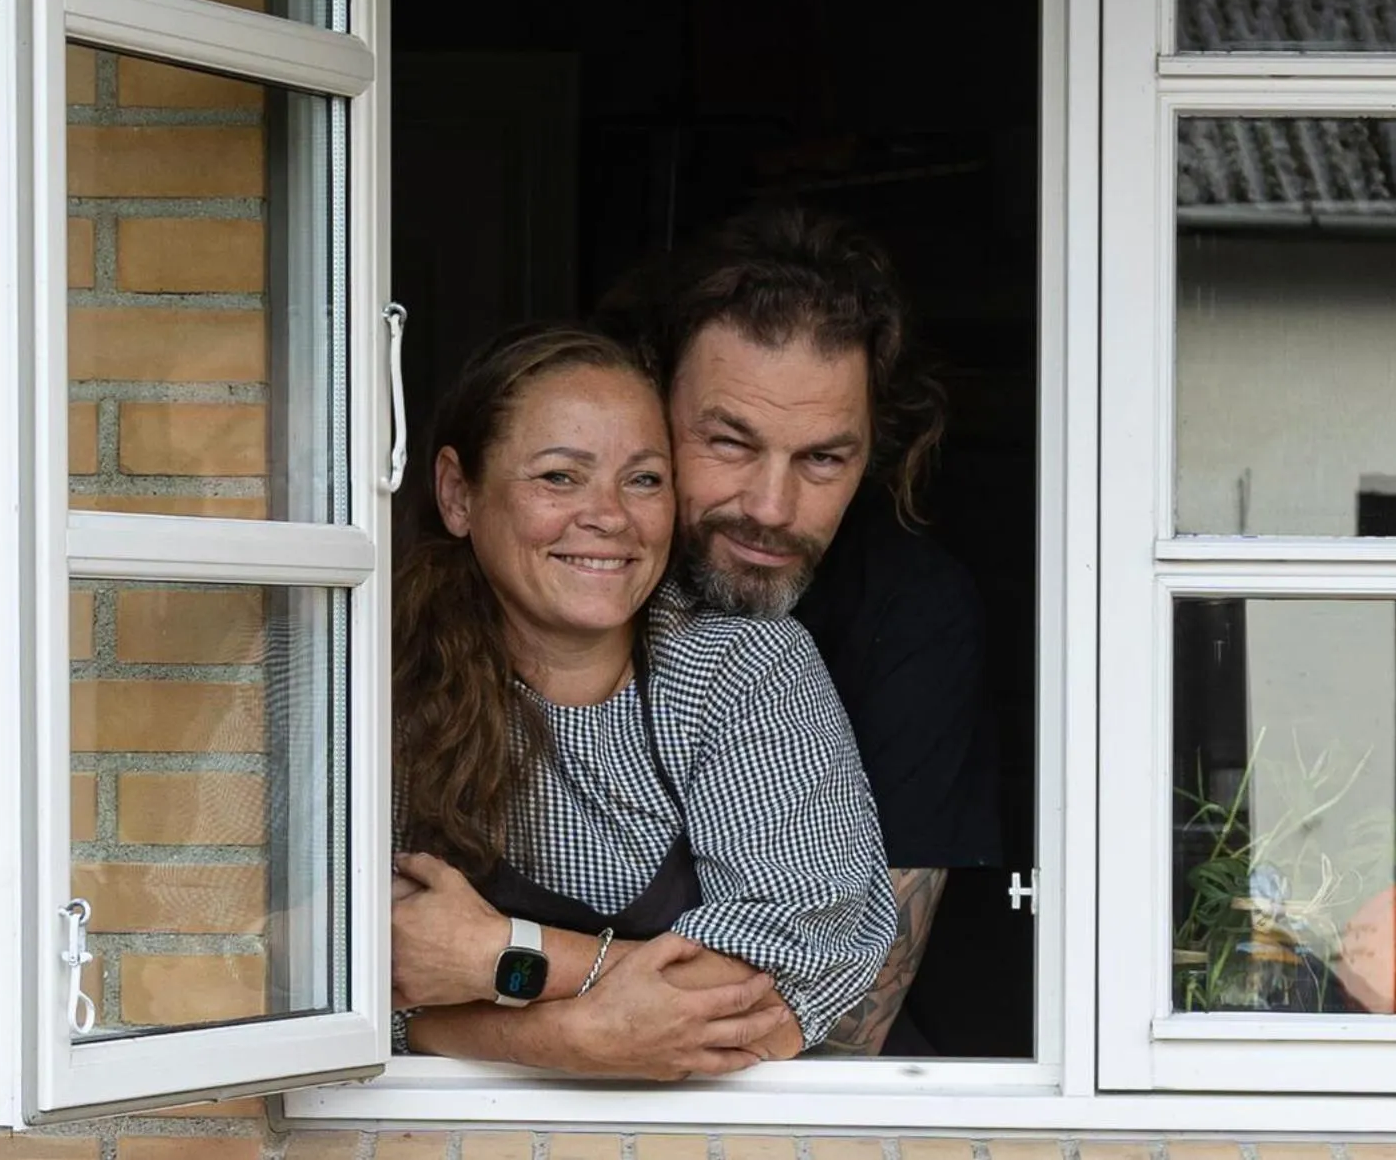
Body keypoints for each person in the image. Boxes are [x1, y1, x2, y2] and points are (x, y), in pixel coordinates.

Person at [389, 323, 896, 1077]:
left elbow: (790, 980)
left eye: (644, 480)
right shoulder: (378, 682)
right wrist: (574, 1037)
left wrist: (501, 957)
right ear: (459, 494)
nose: (610, 516)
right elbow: (336, 985)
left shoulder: (741, 665)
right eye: (560, 477)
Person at [617, 207, 1004, 1055]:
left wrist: (505, 965)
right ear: (647, 401)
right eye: (729, 442)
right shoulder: (576, 569)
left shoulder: (913, 610)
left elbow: (848, 1018)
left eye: (823, 459)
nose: (770, 507)